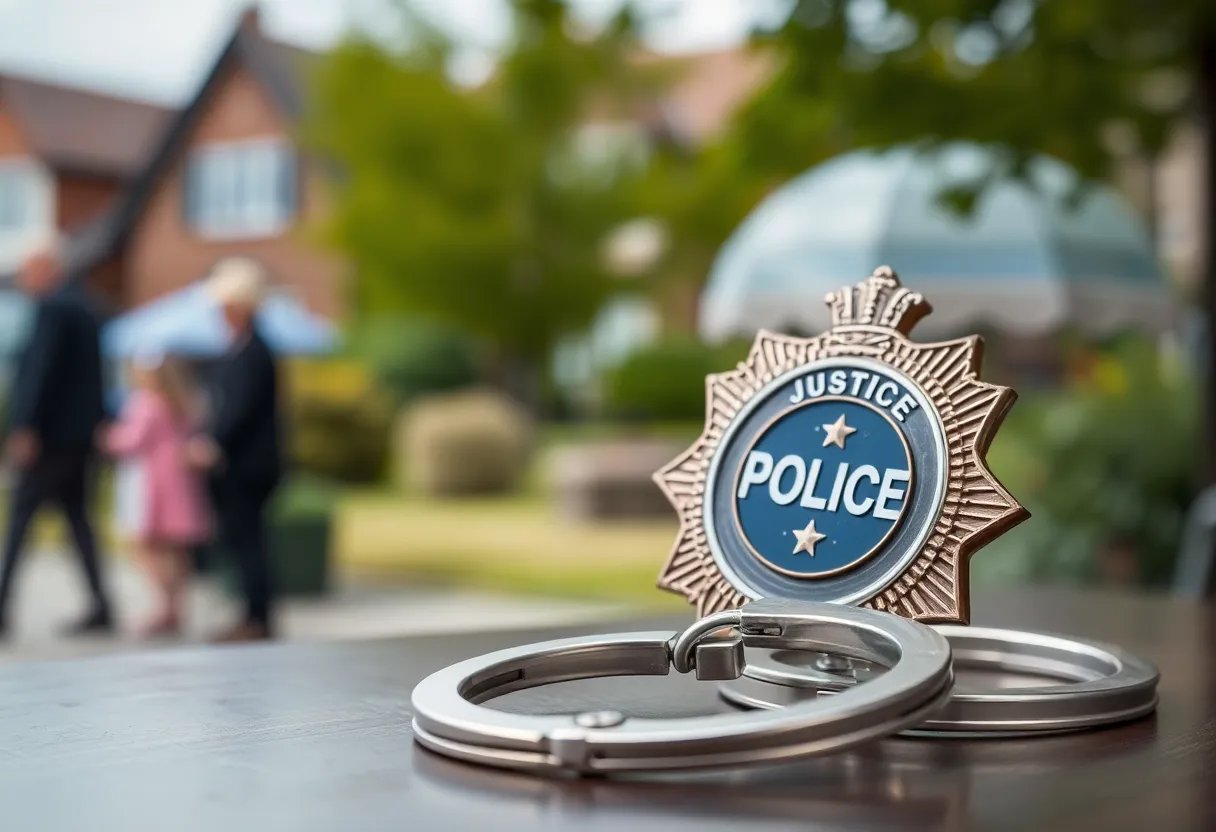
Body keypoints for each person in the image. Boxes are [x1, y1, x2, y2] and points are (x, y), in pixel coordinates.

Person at [0, 238, 114, 636]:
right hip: (80, 437)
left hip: (50, 439)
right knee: (79, 520)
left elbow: (39, 374)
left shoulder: (53, 309)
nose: (25, 280)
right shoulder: (87, 308)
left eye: (30, 271)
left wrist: (25, 427)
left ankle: (1, 607)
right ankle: (102, 605)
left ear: (48, 270)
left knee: (20, 520)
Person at [186, 257, 283, 643]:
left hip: (248, 466)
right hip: (242, 464)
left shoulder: (253, 352)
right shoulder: (242, 349)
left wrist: (213, 443)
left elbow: (239, 408)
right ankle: (252, 612)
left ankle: (257, 617)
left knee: (249, 540)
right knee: (245, 540)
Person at [101, 352, 210, 637]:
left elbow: (131, 441)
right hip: (180, 481)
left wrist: (108, 436)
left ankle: (164, 605)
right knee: (176, 550)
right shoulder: (182, 401)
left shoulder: (146, 403)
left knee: (145, 545)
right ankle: (176, 607)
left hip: (152, 484)